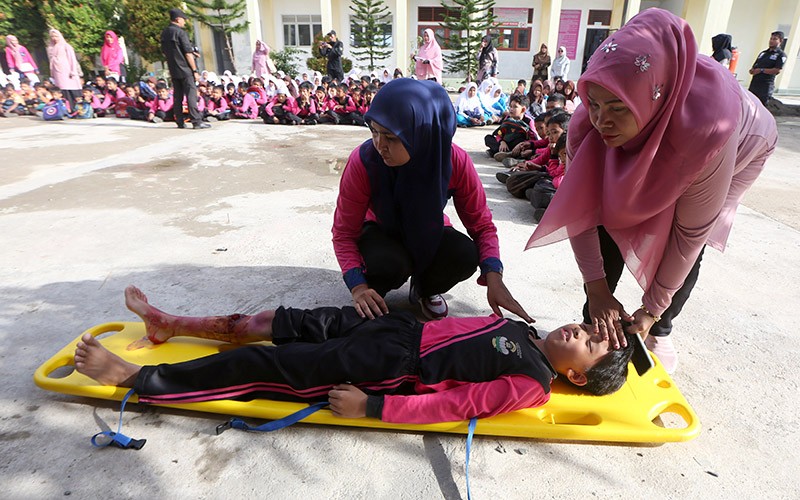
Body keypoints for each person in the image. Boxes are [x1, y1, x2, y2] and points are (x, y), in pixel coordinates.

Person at [525, 8, 778, 374]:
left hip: (743, 146)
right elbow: (581, 208)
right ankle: (600, 328)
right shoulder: (587, 127)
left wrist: (652, 308)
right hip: (665, 132)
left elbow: (690, 236)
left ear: (653, 99)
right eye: (594, 103)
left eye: (617, 107)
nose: (602, 120)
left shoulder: (710, 132)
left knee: (682, 232)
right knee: (610, 214)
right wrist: (596, 290)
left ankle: (660, 329)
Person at [73, 286, 635, 424]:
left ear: (575, 378)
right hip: (391, 330)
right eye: (588, 327)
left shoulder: (532, 381)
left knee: (262, 368)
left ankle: (136, 378)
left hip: (383, 369)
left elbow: (460, 405)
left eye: (586, 343)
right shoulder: (523, 328)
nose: (579, 330)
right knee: (275, 322)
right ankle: (169, 323)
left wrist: (375, 408)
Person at [332, 79, 532, 323]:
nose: (379, 145)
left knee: (464, 254)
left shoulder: (453, 160)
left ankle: (424, 288)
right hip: (381, 230)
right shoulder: (364, 161)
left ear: (421, 134)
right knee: (387, 264)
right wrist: (358, 287)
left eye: (391, 137)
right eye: (374, 131)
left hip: (428, 228)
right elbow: (344, 232)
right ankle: (375, 291)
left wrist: (494, 276)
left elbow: (481, 225)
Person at [160, 8, 210, 129]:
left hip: (173, 69)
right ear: (178, 19)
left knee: (177, 96)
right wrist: (194, 70)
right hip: (186, 69)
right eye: (183, 19)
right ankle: (196, 121)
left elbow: (164, 52)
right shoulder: (180, 33)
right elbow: (187, 53)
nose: (184, 22)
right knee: (191, 94)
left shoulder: (164, 33)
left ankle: (180, 121)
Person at [748, 31, 787, 106]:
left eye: (775, 39)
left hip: (765, 86)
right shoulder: (763, 53)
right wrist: (753, 70)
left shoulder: (781, 55)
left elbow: (777, 70)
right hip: (755, 84)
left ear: (781, 41)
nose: (771, 41)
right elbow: (755, 66)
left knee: (761, 107)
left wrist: (761, 70)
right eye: (771, 39)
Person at [46, 29, 82, 109]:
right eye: (52, 36)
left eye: (56, 36)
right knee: (62, 89)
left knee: (70, 88)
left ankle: (74, 108)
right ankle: (65, 108)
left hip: (67, 71)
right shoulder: (51, 47)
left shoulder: (66, 46)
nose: (54, 38)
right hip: (57, 71)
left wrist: (73, 71)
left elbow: (72, 59)